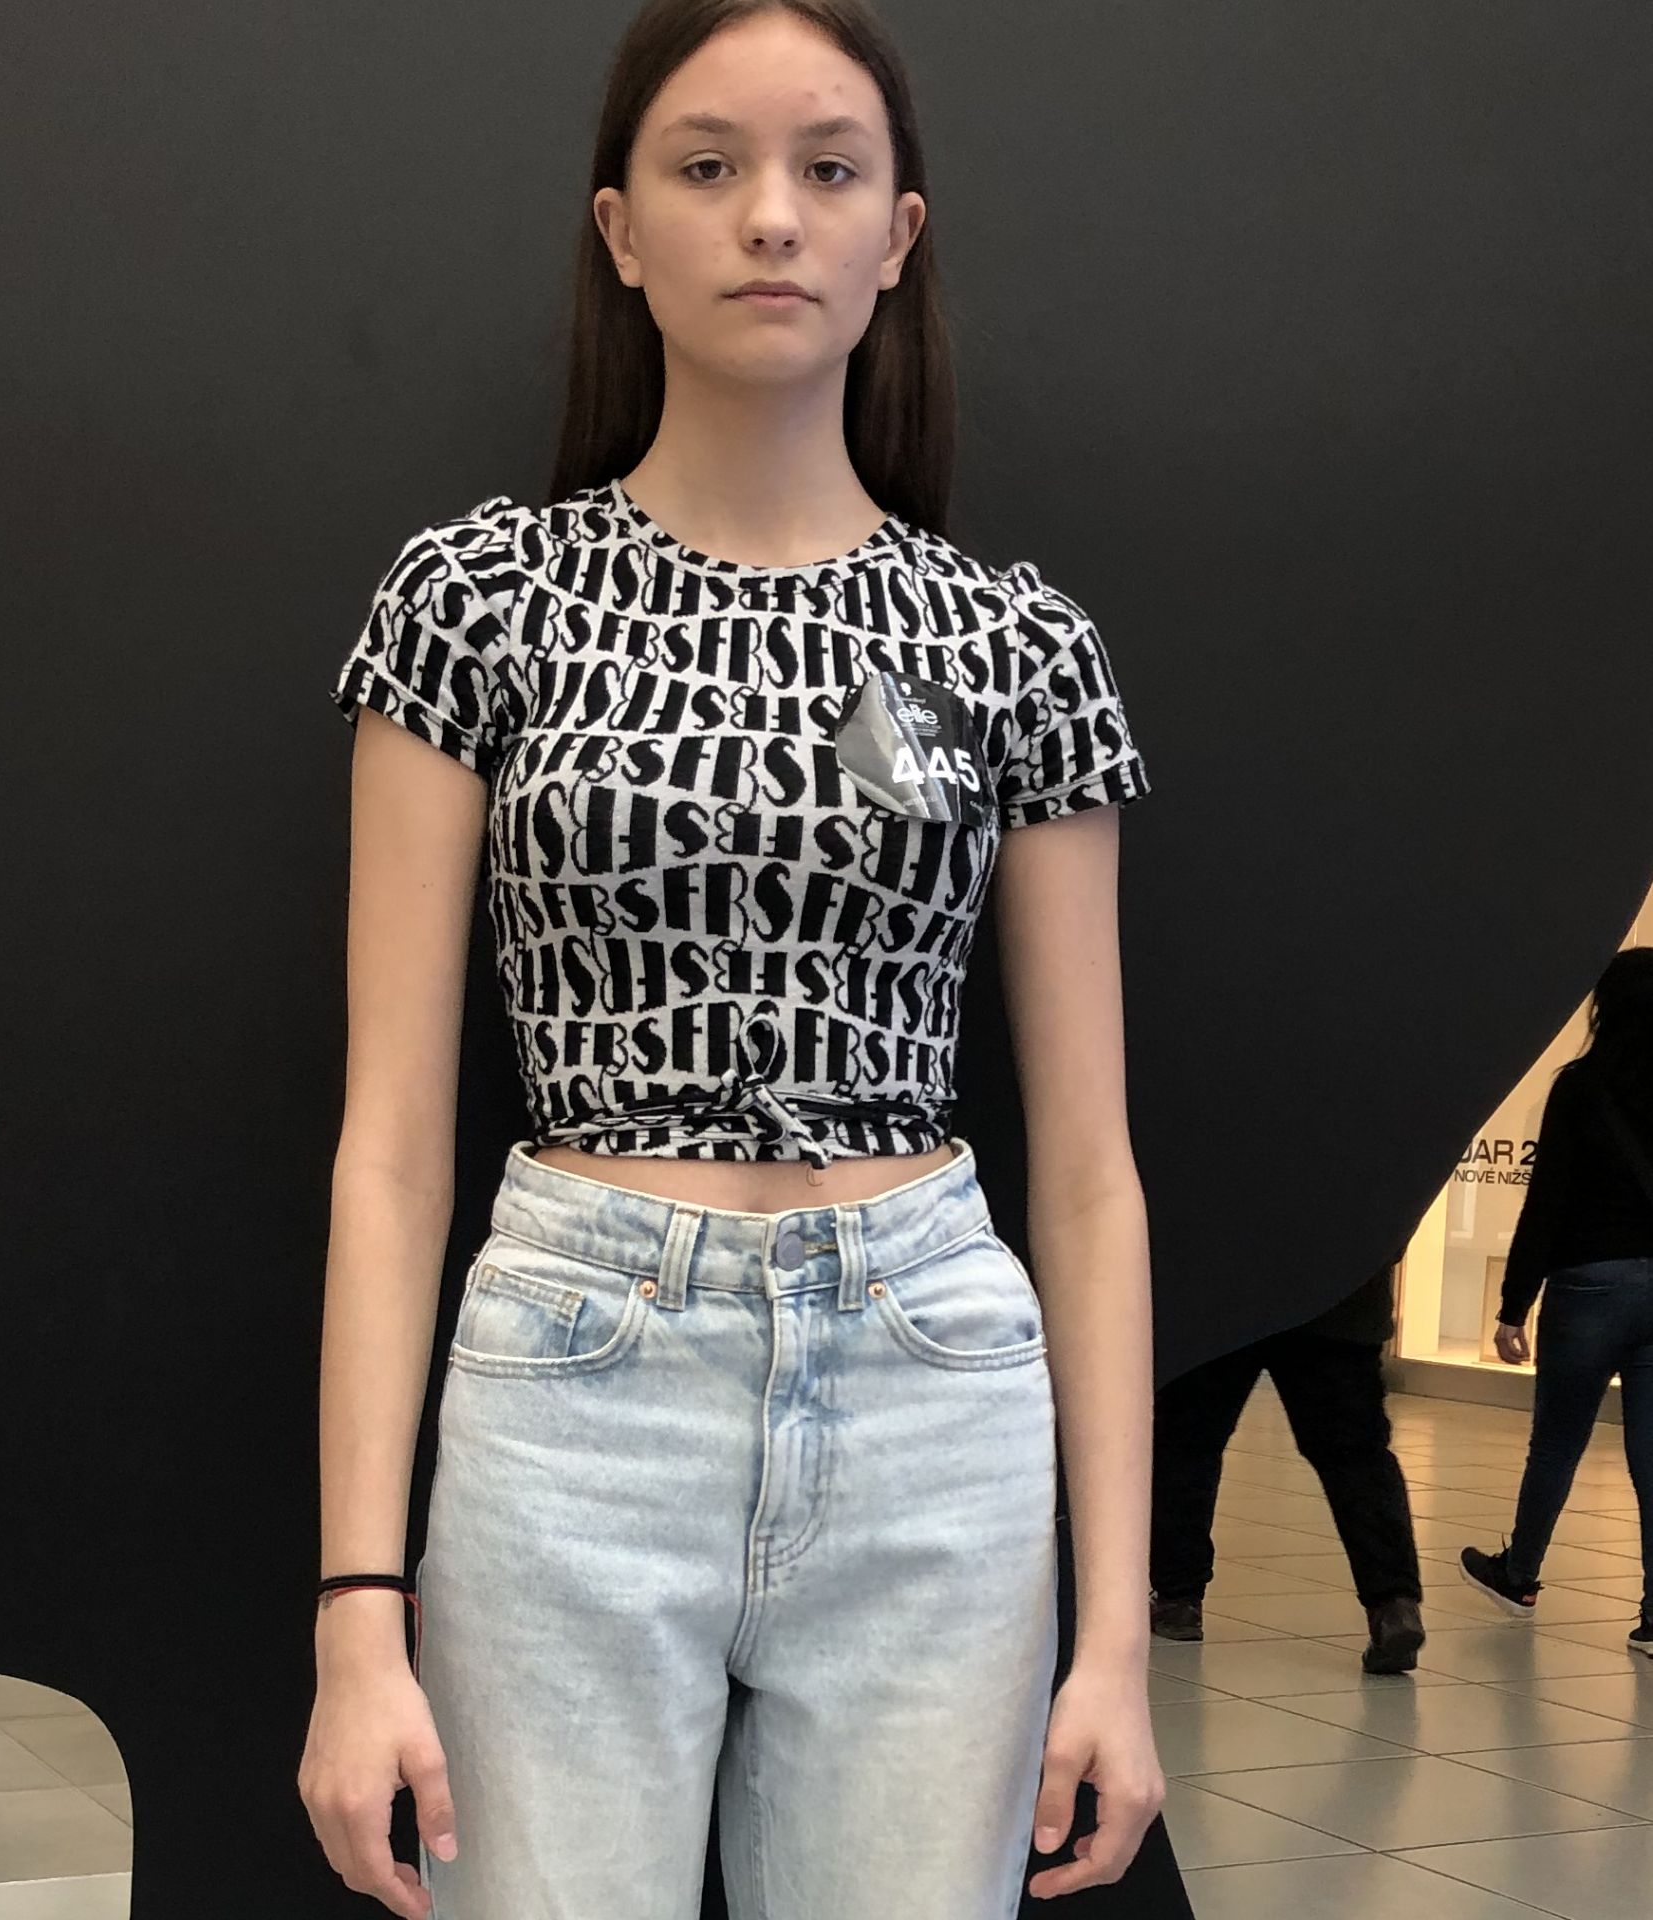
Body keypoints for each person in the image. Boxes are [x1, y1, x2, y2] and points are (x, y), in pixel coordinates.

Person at [297, 5, 1166, 1915]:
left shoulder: (1011, 647)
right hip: (574, 1387)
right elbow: (390, 1143)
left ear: (896, 234)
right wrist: (357, 1607)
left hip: (932, 1387)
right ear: (619, 230)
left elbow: (1089, 1174)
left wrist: (1113, 1635)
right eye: (707, 167)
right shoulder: (476, 605)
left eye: (825, 169)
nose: (770, 215)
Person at [1459, 946, 1653, 1657]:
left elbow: (1546, 1204)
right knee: (1650, 1456)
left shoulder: (1580, 1087)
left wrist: (1514, 1305)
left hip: (1589, 1286)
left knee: (1557, 1444)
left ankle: (1520, 1575)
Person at [1147, 1242, 1428, 1673]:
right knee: (1356, 1456)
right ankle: (1394, 1604)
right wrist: (1381, 1248)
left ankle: (1178, 1599)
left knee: (1188, 1445)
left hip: (1222, 1288)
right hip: (1339, 1288)